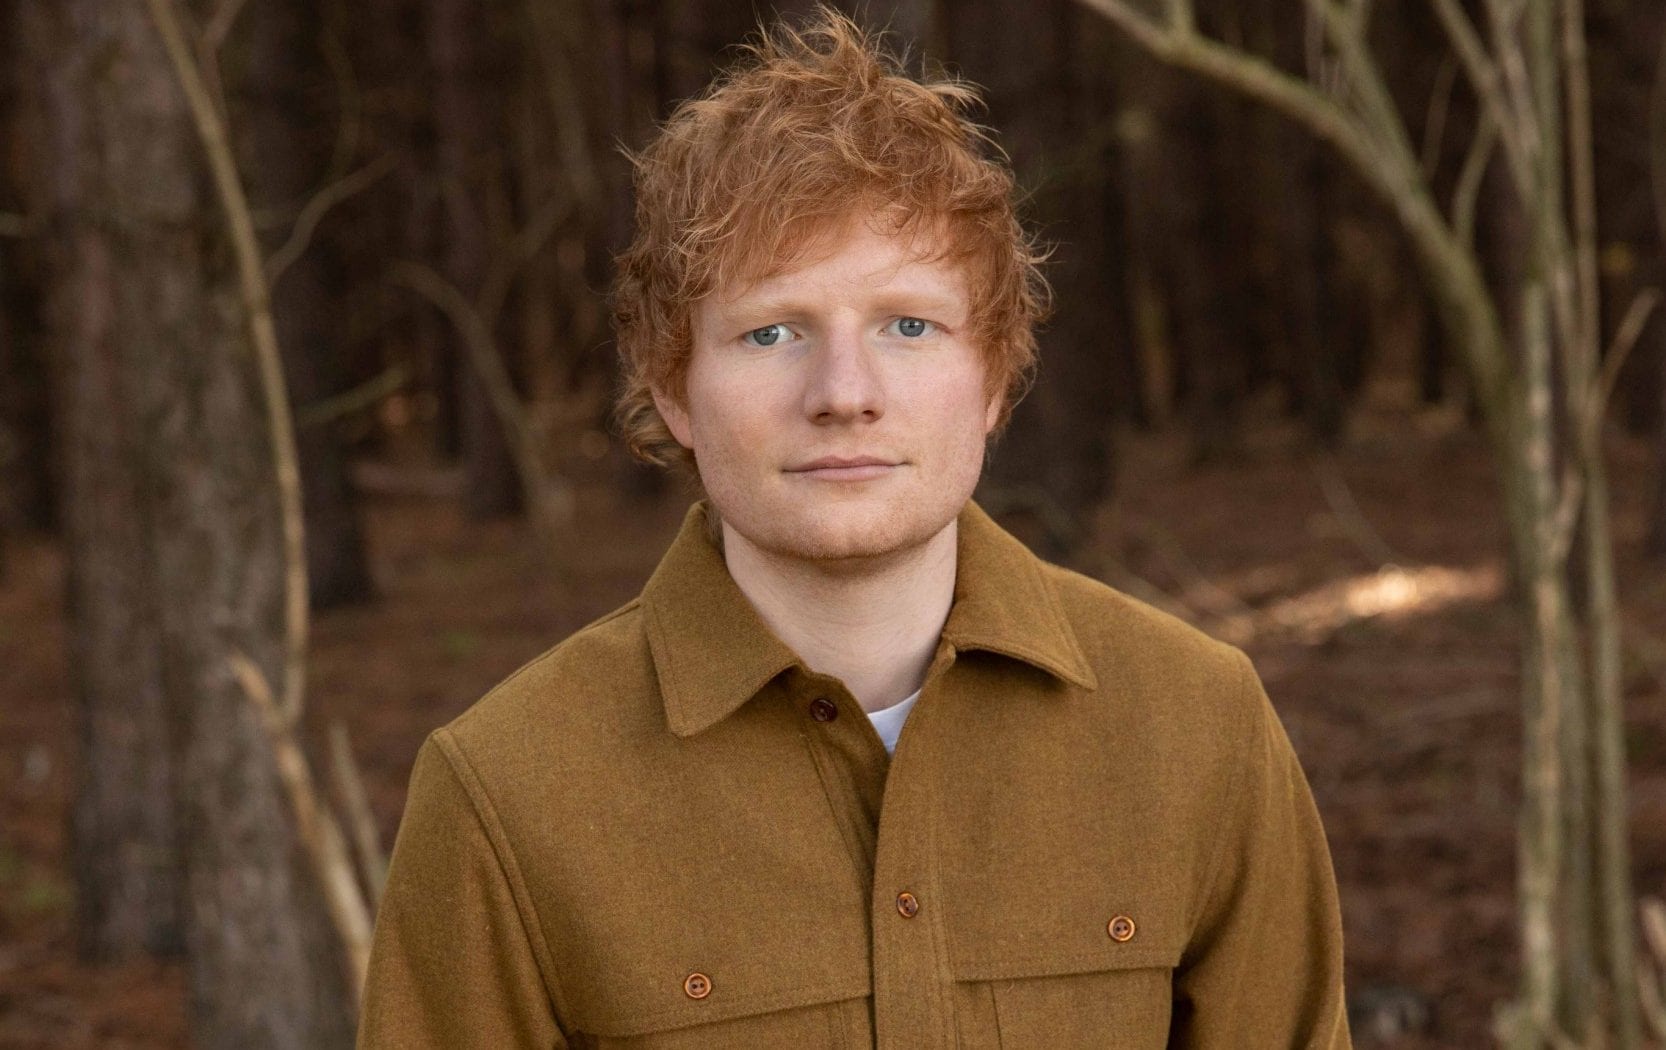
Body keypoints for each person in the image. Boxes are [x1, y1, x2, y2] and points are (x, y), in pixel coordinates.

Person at [357, 7, 1352, 1048]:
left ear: (994, 377)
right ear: (674, 387)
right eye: (771, 332)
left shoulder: (1198, 725)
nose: (844, 393)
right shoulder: (507, 791)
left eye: (908, 325)